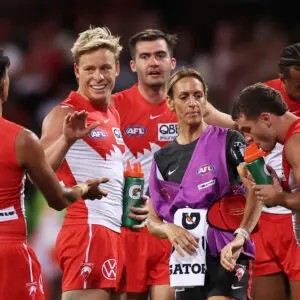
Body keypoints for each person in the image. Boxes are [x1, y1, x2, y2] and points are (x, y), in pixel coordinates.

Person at [112, 29, 234, 300]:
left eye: (159, 55)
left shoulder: (191, 104)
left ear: (172, 62)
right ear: (133, 65)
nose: (153, 63)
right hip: (130, 226)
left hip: (177, 228)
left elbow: (241, 129)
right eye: (145, 57)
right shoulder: (115, 108)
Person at [40, 27, 147, 300]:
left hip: (115, 233)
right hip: (87, 230)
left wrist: (135, 201)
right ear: (77, 71)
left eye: (105, 68)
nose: (98, 77)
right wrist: (65, 139)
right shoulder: (64, 113)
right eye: (89, 69)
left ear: (117, 69)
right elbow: (38, 173)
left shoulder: (111, 113)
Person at [0, 50, 109, 299]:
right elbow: (58, 199)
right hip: (8, 253)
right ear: (4, 85)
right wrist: (83, 188)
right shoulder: (22, 139)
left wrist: (64, 139)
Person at [148, 68, 261, 300]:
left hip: (227, 251)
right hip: (187, 259)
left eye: (198, 96)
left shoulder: (229, 141)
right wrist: (169, 229)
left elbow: (256, 190)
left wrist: (241, 235)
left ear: (205, 99)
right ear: (170, 103)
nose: (193, 103)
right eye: (184, 97)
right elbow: (152, 221)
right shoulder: (162, 158)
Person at [231, 83, 300, 300]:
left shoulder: (295, 142)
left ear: (265, 118)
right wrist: (276, 185)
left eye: (247, 129)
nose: (248, 138)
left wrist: (280, 197)